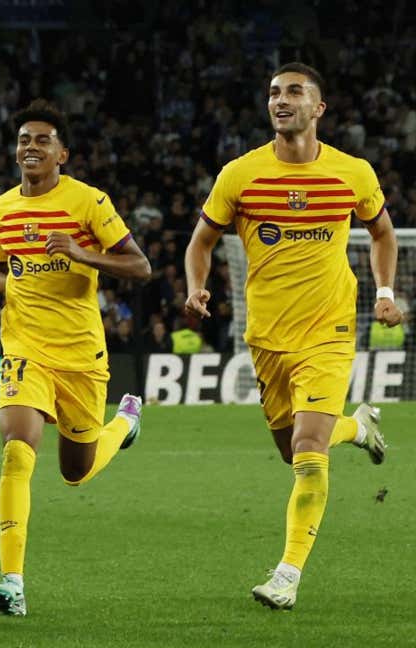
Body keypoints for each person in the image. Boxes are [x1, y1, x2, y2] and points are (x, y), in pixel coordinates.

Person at [184, 62, 401, 611]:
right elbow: (201, 241)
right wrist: (196, 287)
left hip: (328, 328)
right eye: (274, 93)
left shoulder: (352, 172)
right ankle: (358, 427)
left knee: (307, 450)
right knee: (292, 449)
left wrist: (385, 290)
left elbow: (382, 232)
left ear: (318, 108)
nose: (281, 100)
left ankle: (287, 574)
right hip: (266, 335)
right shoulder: (240, 174)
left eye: (294, 92)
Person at [0, 99, 150, 617]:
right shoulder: (1, 208)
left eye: (42, 140)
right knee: (18, 448)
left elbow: (140, 266)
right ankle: (12, 583)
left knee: (75, 473)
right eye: (24, 139)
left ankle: (122, 425)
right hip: (23, 348)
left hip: (81, 354)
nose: (31, 147)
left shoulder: (88, 202)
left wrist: (83, 253)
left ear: (63, 152)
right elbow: (8, 270)